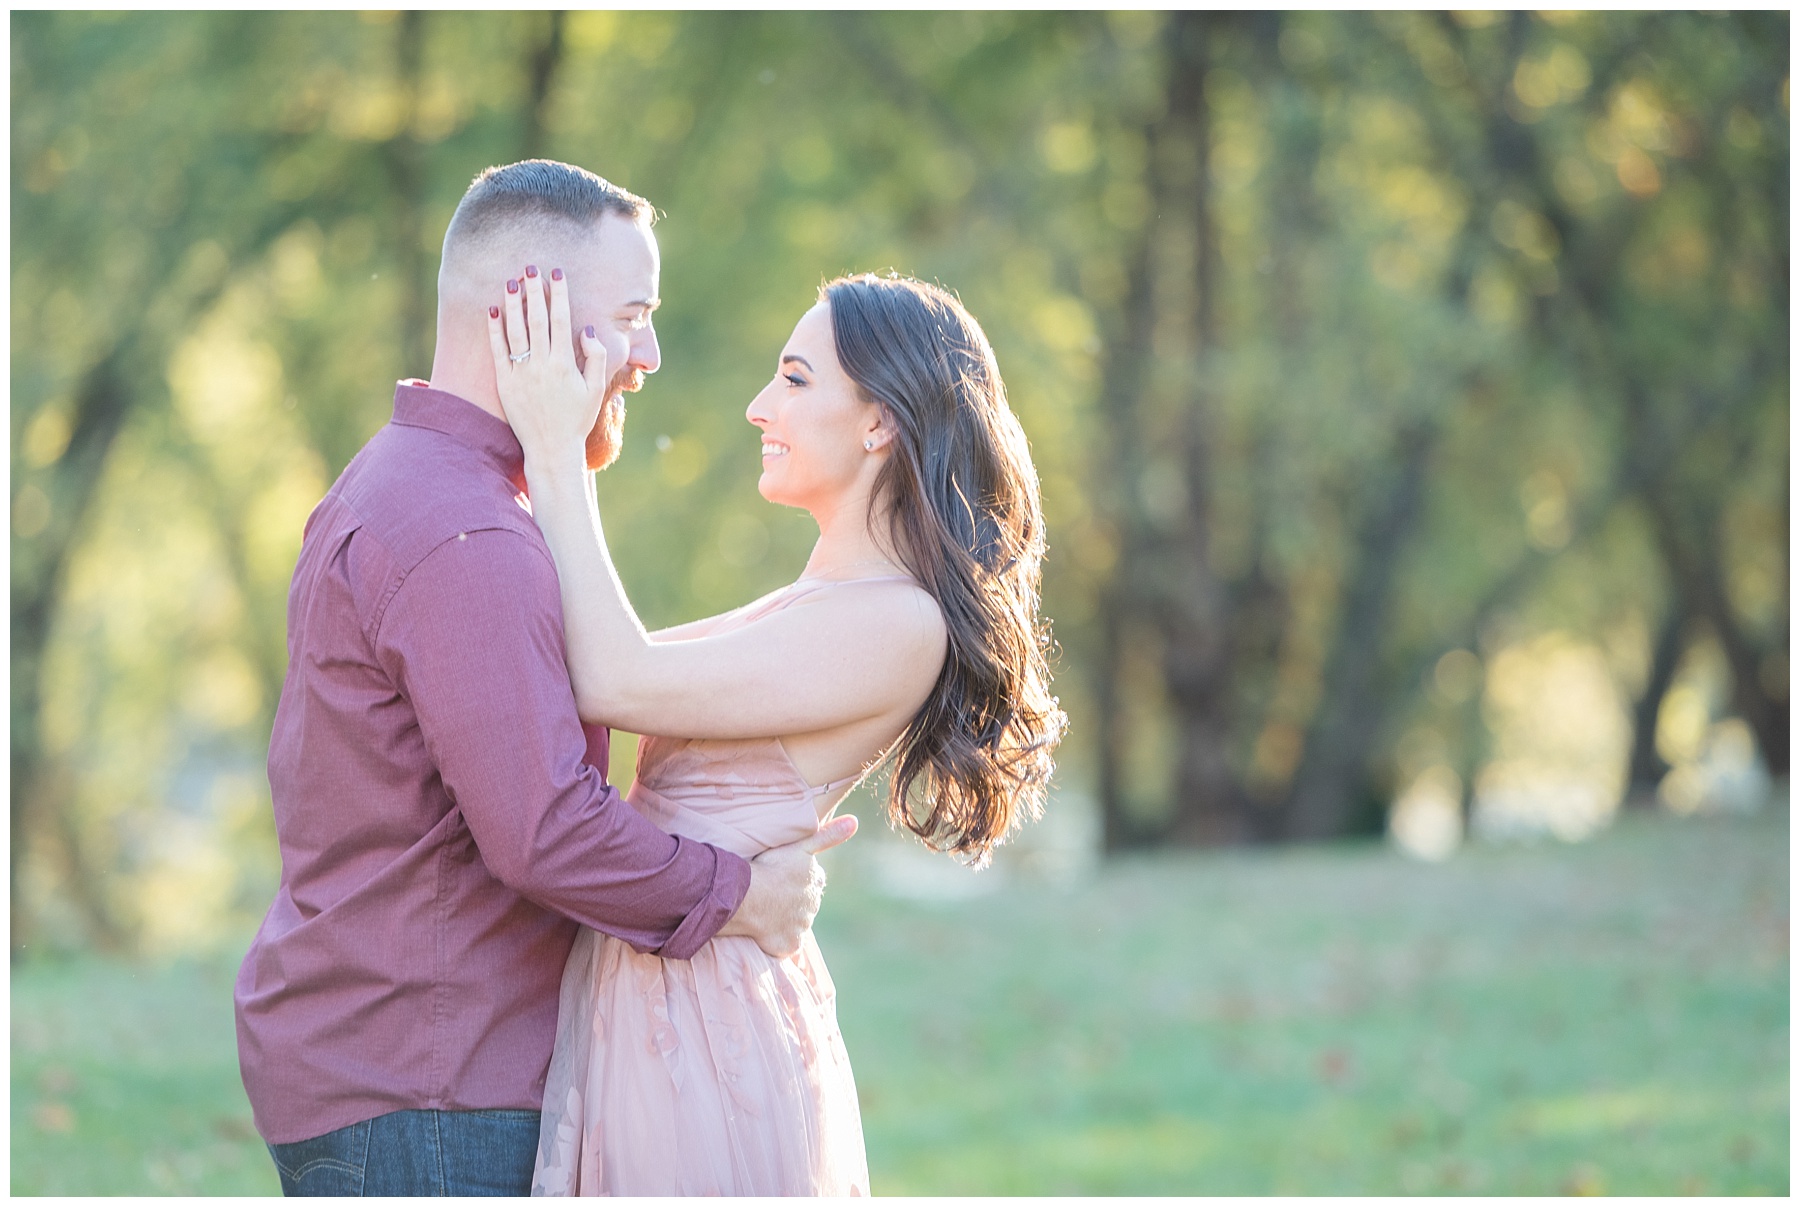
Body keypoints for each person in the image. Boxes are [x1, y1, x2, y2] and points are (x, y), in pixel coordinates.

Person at [234, 159, 854, 1197]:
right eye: (632, 315)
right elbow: (546, 830)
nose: (649, 352)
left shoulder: (401, 482)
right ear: (526, 311)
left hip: (384, 1069)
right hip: (431, 1095)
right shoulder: (467, 533)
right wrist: (744, 893)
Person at [487, 264, 1067, 1194]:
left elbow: (609, 676)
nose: (760, 407)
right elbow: (572, 660)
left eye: (795, 380)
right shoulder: (817, 600)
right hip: (662, 992)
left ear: (880, 421)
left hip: (705, 1027)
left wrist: (555, 448)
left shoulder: (895, 622)